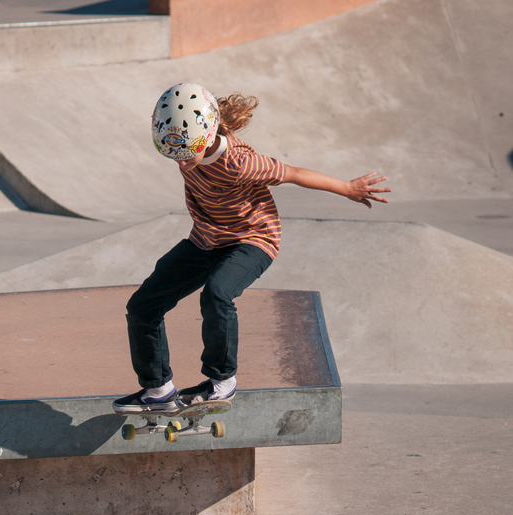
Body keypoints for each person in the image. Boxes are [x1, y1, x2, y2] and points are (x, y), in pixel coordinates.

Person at [112, 82, 390, 414]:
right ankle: (158, 390)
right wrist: (184, 152)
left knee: (217, 294)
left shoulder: (240, 162)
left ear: (208, 136)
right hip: (207, 238)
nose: (182, 164)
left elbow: (294, 173)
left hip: (253, 239)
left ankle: (222, 382)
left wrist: (348, 188)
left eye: (187, 155)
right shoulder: (184, 141)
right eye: (173, 155)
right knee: (143, 305)